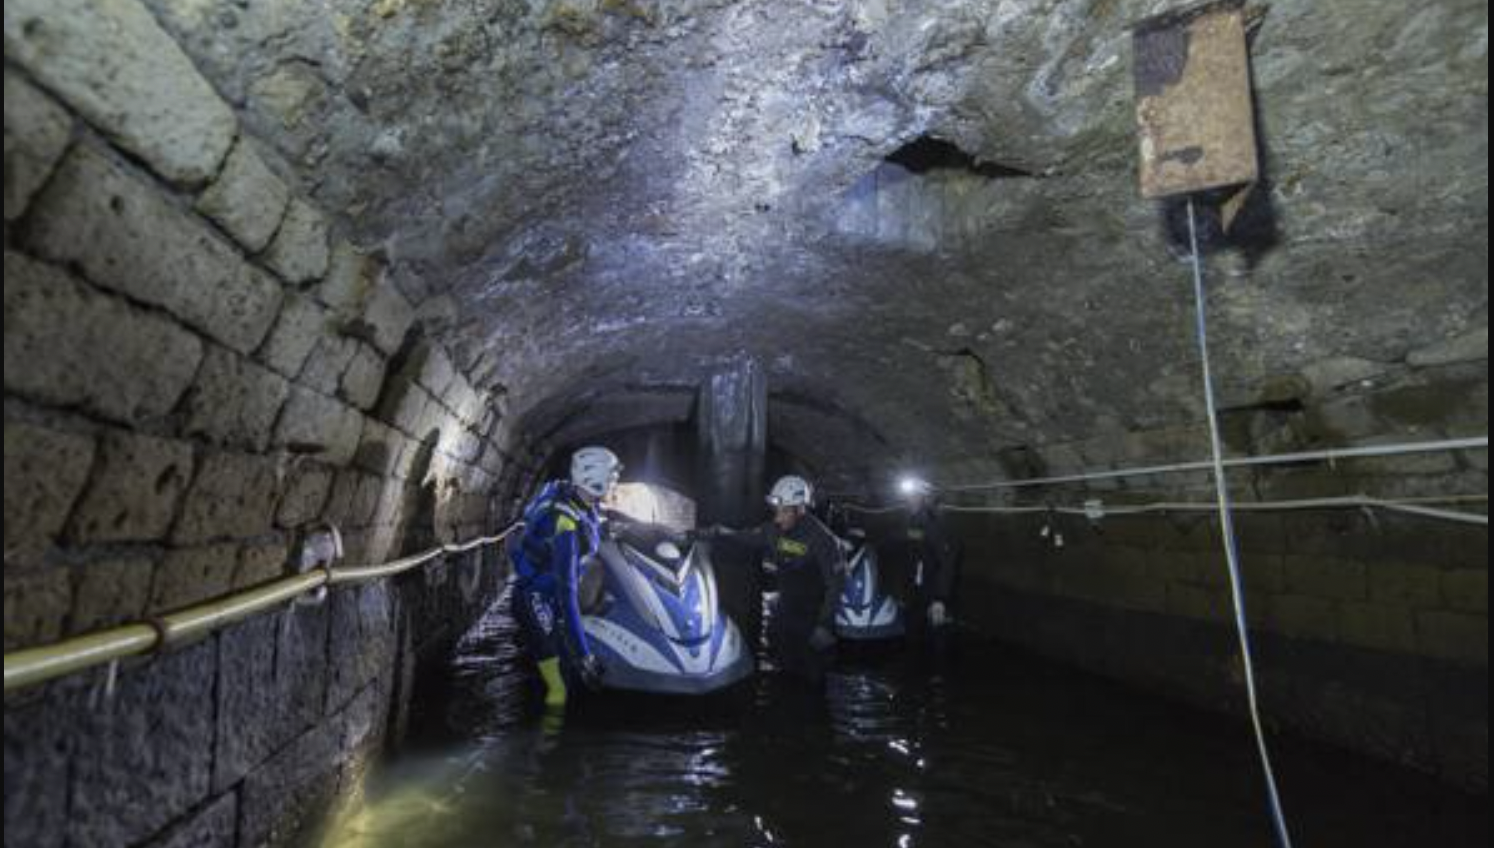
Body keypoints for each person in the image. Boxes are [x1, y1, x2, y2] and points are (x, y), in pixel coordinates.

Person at [510, 446, 622, 710]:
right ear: (595, 480)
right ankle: (547, 741)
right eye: (612, 478)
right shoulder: (566, 527)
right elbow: (567, 593)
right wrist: (585, 656)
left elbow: (597, 528)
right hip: (533, 598)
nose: (614, 483)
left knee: (568, 663)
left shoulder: (580, 502)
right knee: (559, 686)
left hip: (550, 593)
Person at [709, 475, 847, 685]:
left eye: (784, 512)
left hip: (812, 621)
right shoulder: (773, 530)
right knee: (783, 674)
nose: (777, 518)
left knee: (811, 683)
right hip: (785, 615)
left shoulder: (823, 540)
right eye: (776, 511)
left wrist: (825, 625)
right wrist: (714, 532)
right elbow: (745, 537)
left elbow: (836, 583)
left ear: (800, 509)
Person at [902, 478, 960, 648]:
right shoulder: (914, 520)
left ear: (924, 498)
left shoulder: (934, 523)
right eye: (909, 497)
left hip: (932, 588)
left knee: (936, 632)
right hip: (916, 586)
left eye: (914, 496)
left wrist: (940, 598)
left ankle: (939, 671)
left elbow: (947, 560)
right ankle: (917, 663)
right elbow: (911, 545)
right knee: (914, 628)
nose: (910, 500)